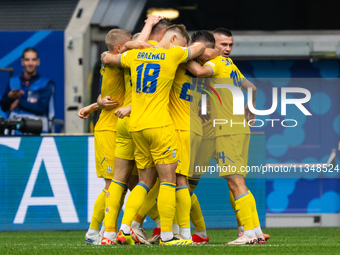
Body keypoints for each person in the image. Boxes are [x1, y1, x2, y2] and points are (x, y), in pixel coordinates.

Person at [102, 24, 205, 245]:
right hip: (159, 126)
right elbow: (198, 49)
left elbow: (110, 57)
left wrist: (134, 44)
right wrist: (188, 47)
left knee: (144, 181)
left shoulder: (135, 55)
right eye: (181, 42)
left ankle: (124, 229)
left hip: (135, 126)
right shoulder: (173, 54)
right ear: (175, 38)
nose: (183, 47)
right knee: (169, 180)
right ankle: (168, 236)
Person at [186, 28, 267, 245]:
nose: (227, 49)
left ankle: (248, 233)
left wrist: (179, 55)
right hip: (234, 128)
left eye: (230, 45)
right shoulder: (229, 64)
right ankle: (255, 230)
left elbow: (200, 73)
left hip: (226, 130)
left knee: (234, 183)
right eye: (223, 45)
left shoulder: (216, 63)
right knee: (238, 182)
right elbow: (252, 87)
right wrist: (251, 107)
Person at [78, 28, 131, 245]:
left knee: (127, 184)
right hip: (109, 130)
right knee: (113, 185)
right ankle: (95, 231)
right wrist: (96, 104)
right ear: (119, 48)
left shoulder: (122, 63)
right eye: (128, 45)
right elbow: (107, 57)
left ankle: (124, 228)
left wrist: (94, 104)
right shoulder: (113, 61)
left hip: (125, 129)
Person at [0, 47, 54, 133]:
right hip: (15, 133)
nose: (30, 63)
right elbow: (4, 107)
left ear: (38, 62)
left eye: (33, 60)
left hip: (37, 133)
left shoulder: (46, 84)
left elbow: (41, 108)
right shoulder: (13, 82)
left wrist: (19, 102)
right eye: (27, 60)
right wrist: (9, 98)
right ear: (22, 62)